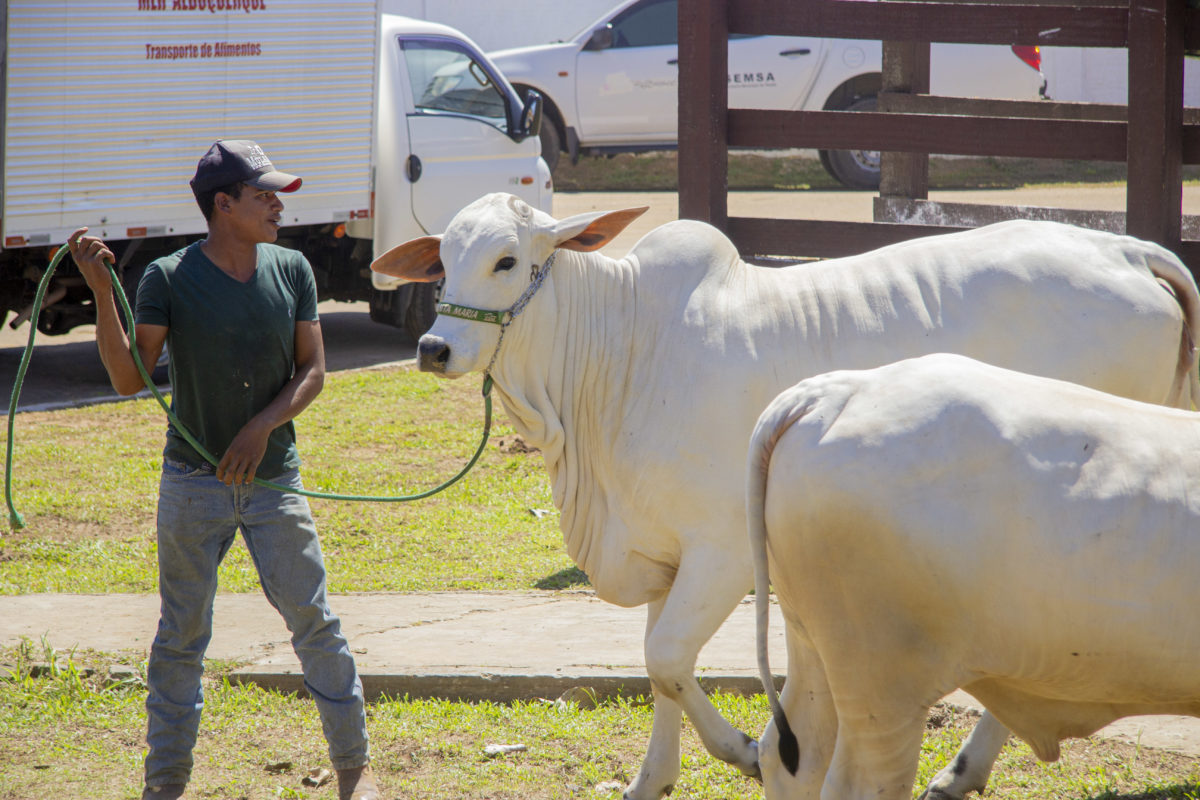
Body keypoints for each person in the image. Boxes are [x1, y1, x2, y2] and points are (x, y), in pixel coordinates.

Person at [70, 140, 380, 800]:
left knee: (314, 622)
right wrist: (103, 293)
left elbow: (314, 370)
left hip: (273, 483)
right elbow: (129, 378)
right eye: (263, 194)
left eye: (277, 193)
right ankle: (165, 785)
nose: (277, 204)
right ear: (223, 204)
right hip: (191, 486)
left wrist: (261, 425)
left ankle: (356, 773)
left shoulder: (292, 269)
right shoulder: (167, 277)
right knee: (181, 637)